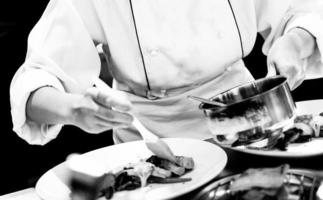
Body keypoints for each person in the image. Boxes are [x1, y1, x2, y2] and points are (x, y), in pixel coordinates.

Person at [10, 0, 323, 145]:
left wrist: (295, 43)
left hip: (253, 131)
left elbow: (302, 12)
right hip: (153, 146)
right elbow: (36, 79)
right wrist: (75, 110)